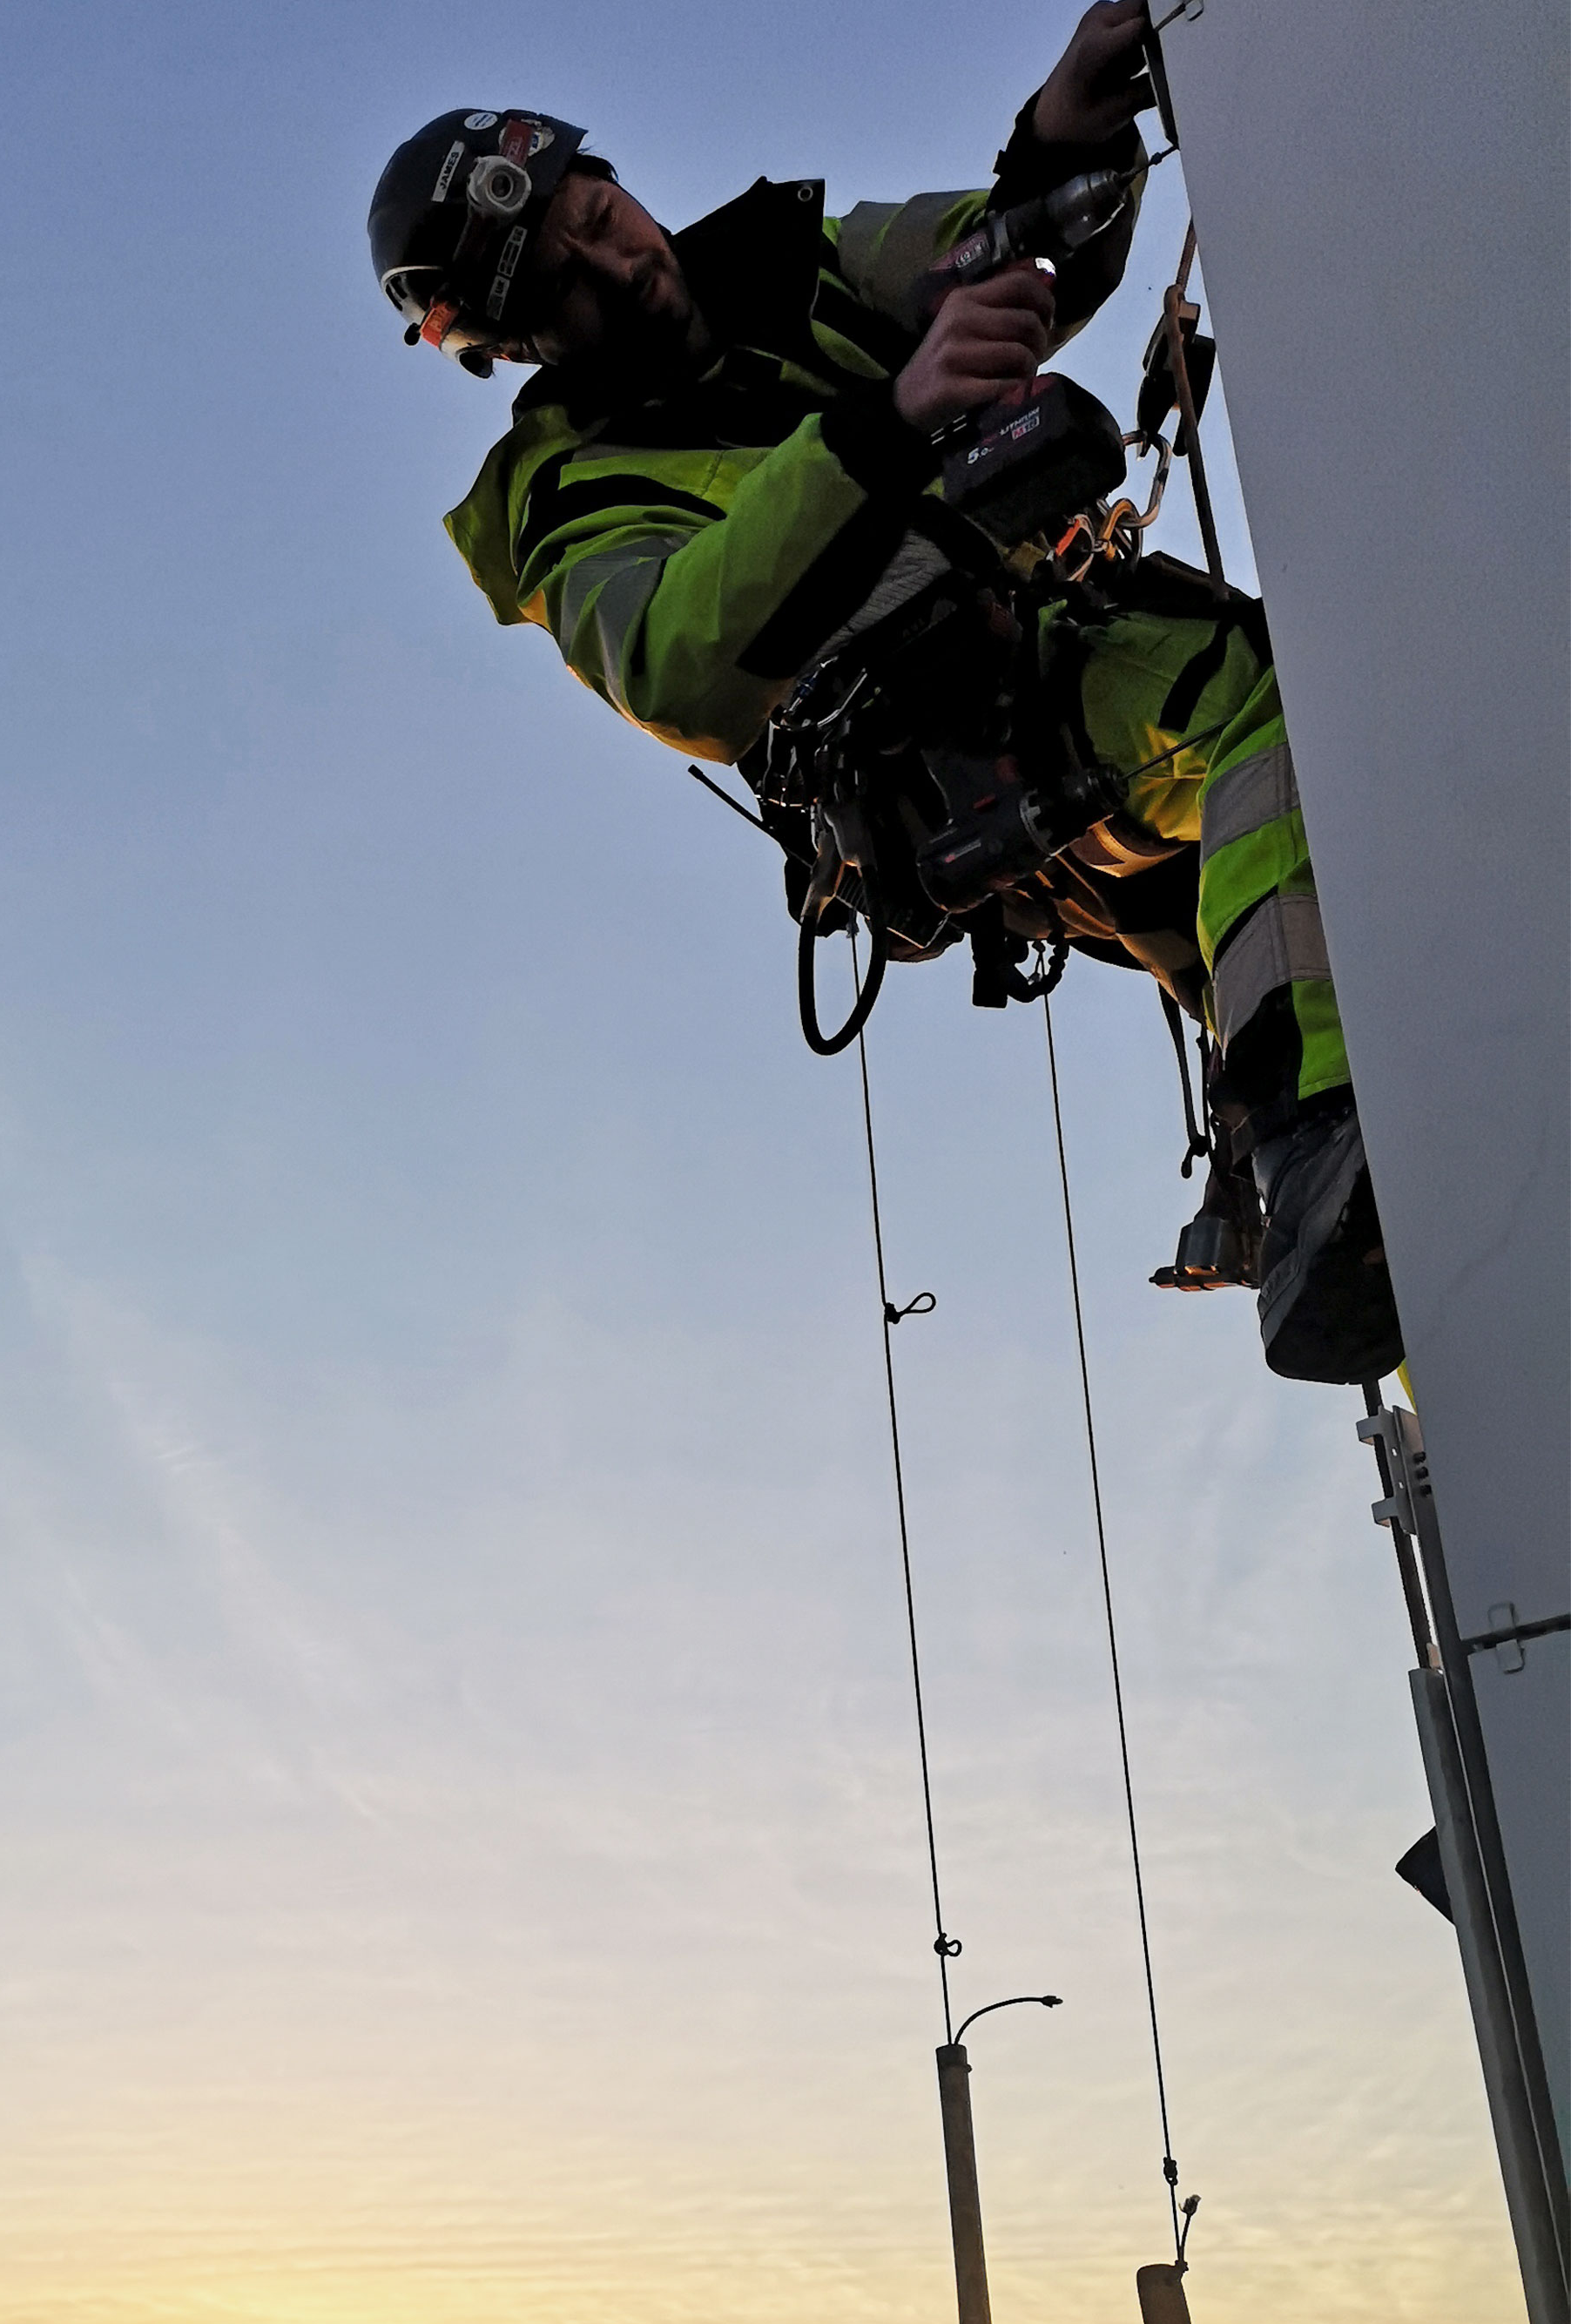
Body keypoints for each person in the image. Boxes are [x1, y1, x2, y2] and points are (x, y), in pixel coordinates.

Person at [365, 3, 1402, 1385]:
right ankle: (1330, 1142)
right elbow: (679, 663)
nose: (611, 251)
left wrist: (1068, 124)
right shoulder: (571, 502)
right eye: (560, 271)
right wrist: (886, 421)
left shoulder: (793, 264)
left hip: (1078, 669)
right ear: (512, 344)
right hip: (982, 750)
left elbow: (998, 256)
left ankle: (1372, 1220)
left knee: (1331, 871)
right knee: (1277, 706)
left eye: (592, 203)